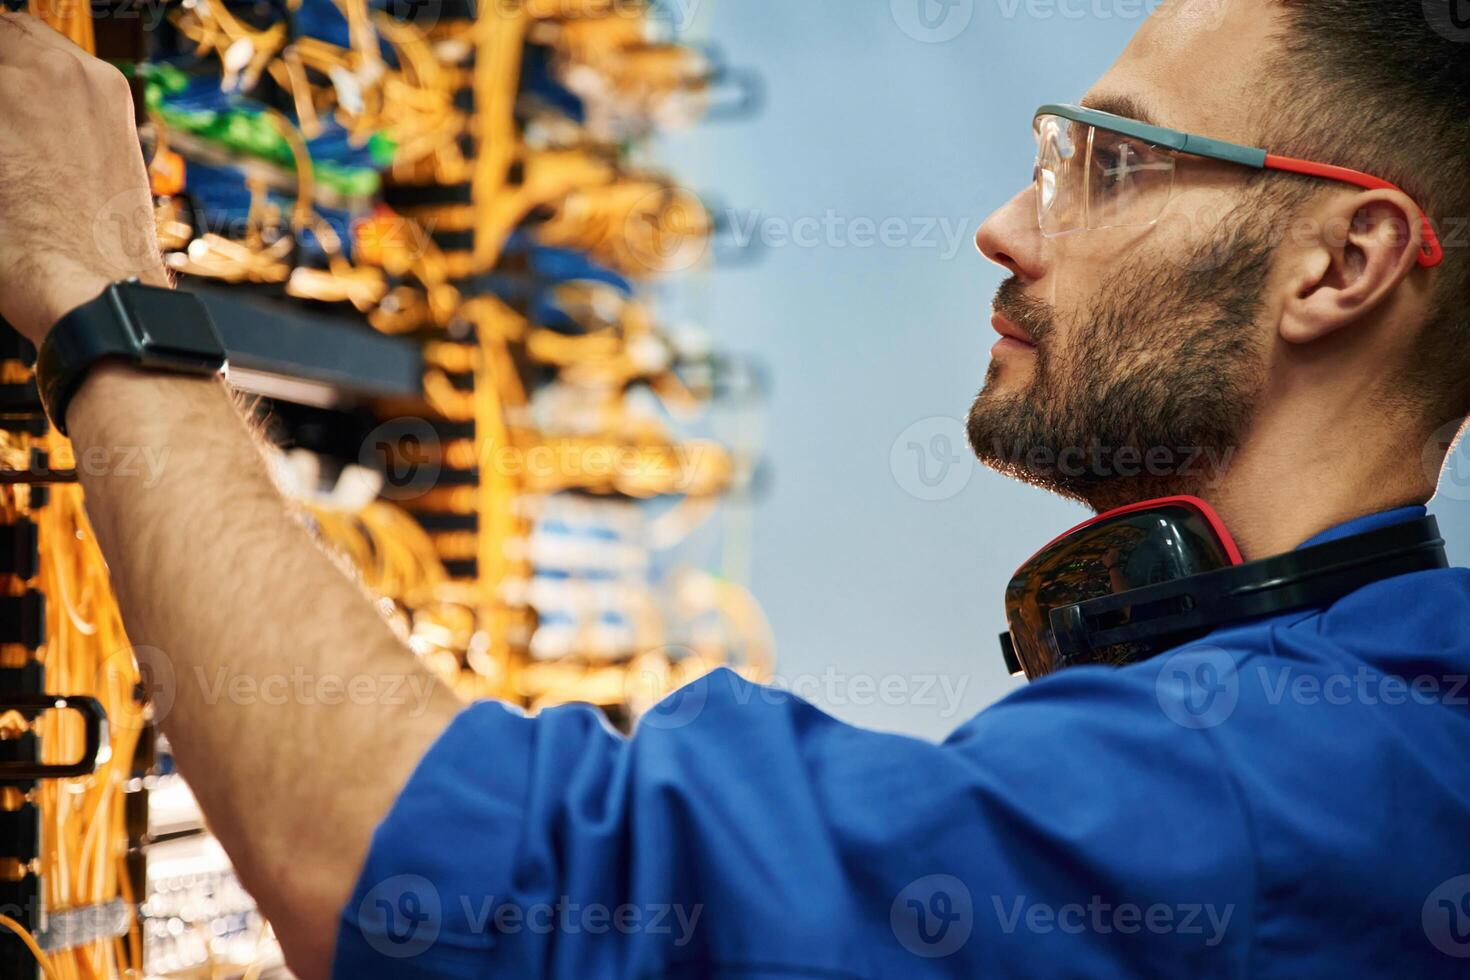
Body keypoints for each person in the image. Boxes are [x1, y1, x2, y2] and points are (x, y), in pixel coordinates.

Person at [1, 0, 1468, 976]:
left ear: (1342, 264)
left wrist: (102, 295)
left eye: (1110, 165)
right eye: (1044, 157)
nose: (1004, 226)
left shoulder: (1272, 789)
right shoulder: (1373, 733)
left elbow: (424, 874)